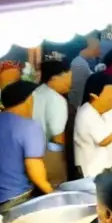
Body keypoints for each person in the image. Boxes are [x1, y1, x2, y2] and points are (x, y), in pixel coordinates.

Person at [0, 81, 52, 212]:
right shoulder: (29, 126)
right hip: (20, 199)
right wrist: (52, 194)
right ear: (30, 99)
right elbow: (33, 165)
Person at [32, 59, 73, 187]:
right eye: (68, 78)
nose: (70, 84)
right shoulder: (57, 100)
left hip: (31, 156)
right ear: (54, 78)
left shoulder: (34, 93)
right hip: (50, 156)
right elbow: (58, 137)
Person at [68, 32, 102, 109]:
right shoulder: (80, 64)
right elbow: (76, 93)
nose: (99, 52)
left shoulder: (80, 61)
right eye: (98, 46)